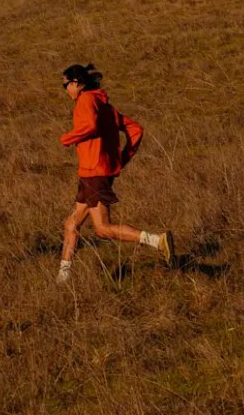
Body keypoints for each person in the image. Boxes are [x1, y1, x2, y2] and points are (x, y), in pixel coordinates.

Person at [56, 64, 173, 284]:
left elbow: (90, 126)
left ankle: (158, 241)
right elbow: (136, 130)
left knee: (102, 229)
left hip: (94, 174)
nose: (65, 91)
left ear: (75, 83)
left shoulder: (86, 100)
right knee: (71, 223)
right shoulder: (105, 106)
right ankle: (63, 278)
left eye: (65, 85)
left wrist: (68, 138)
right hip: (94, 173)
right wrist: (121, 160)